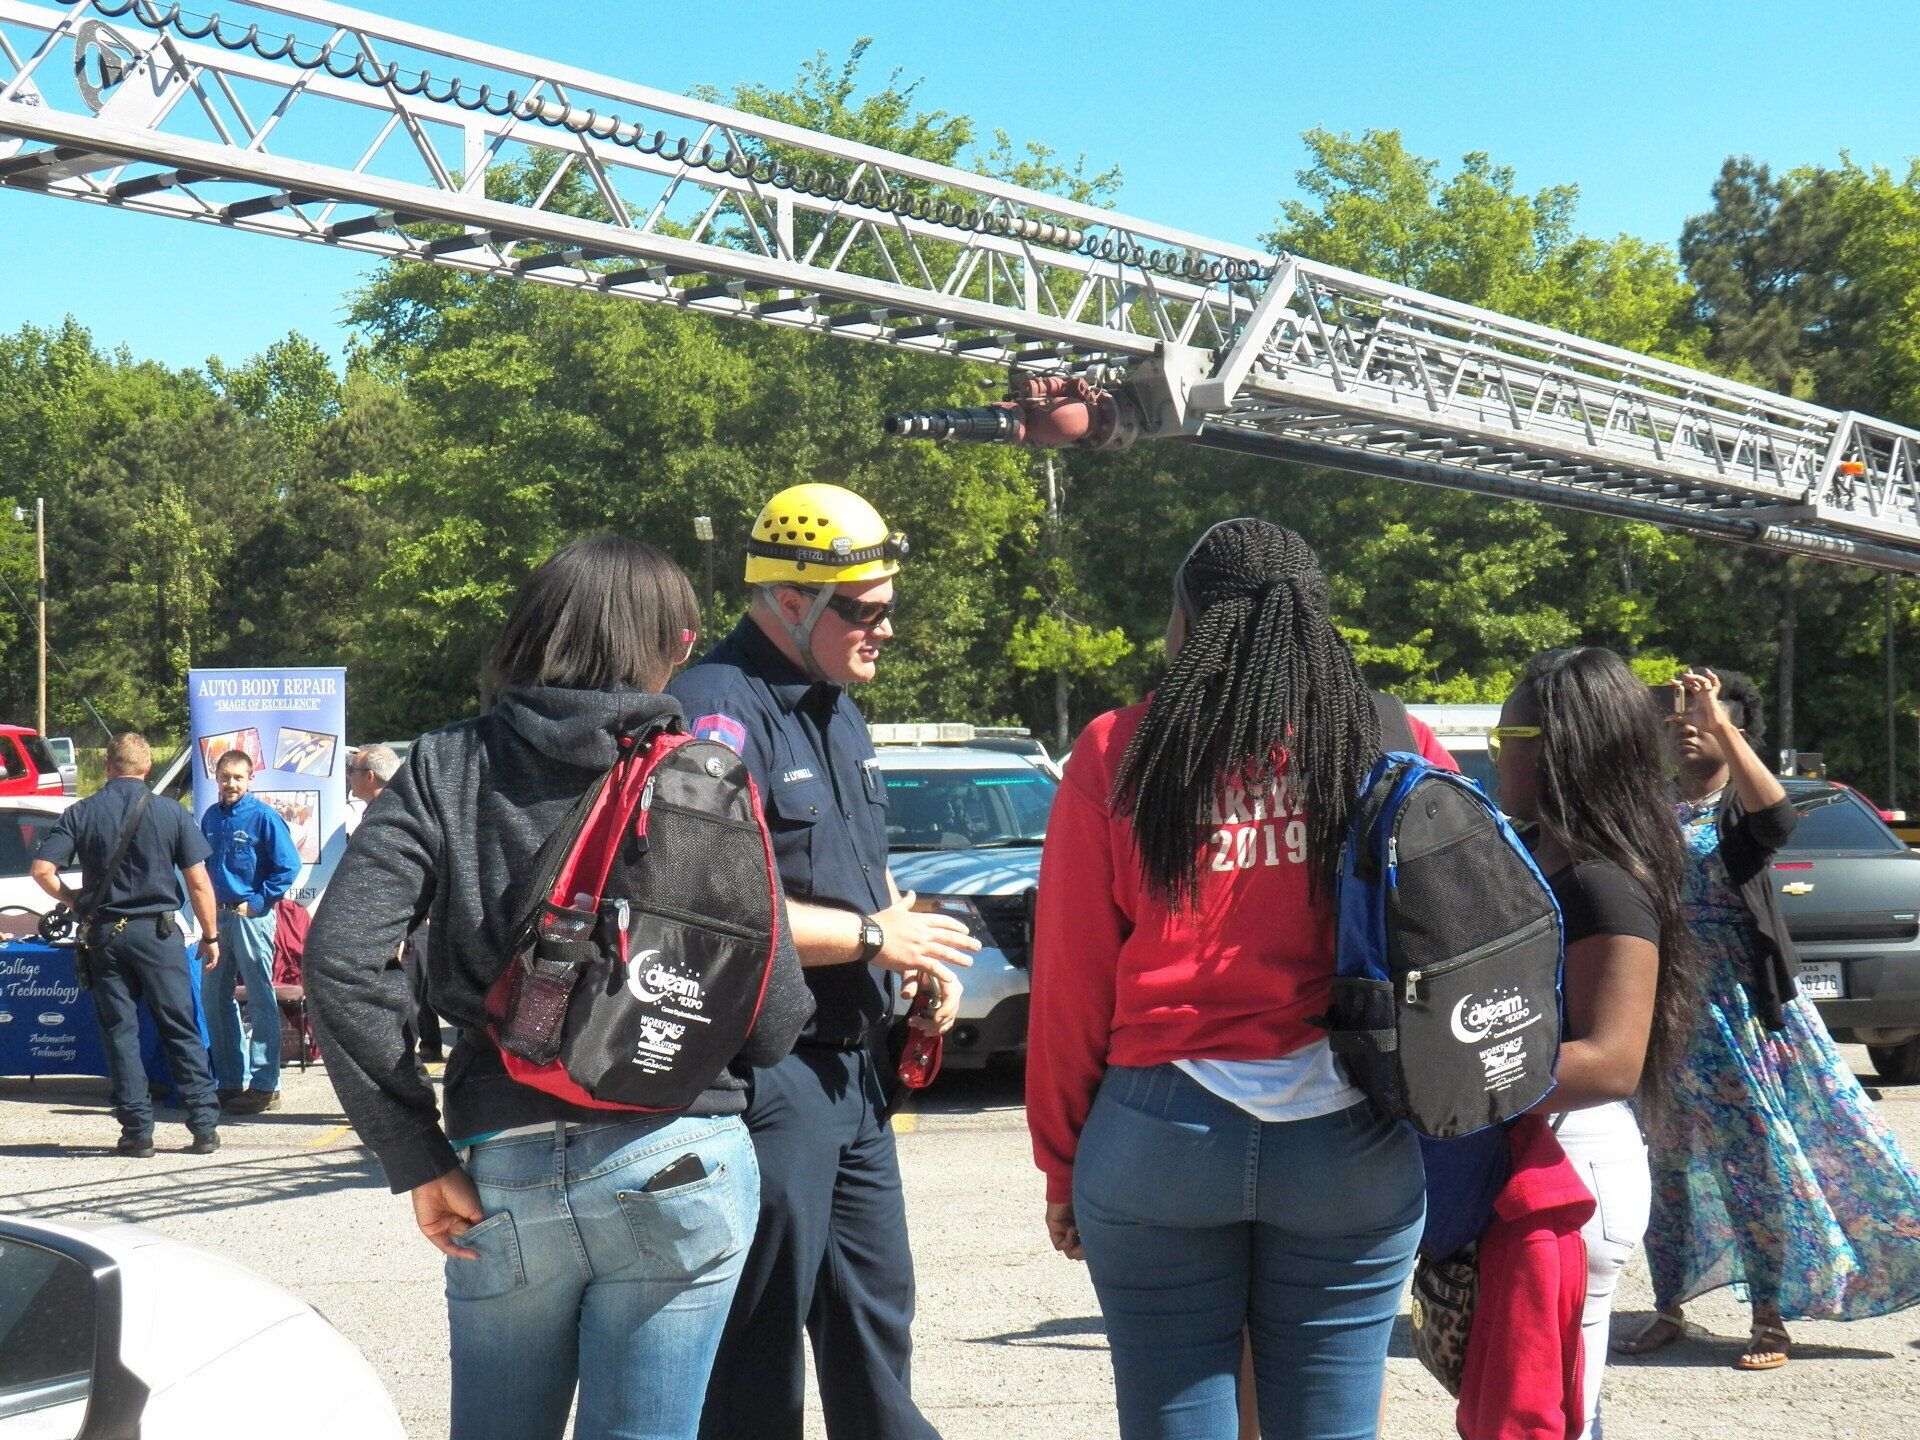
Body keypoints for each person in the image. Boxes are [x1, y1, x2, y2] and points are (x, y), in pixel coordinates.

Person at [304, 535, 814, 1440]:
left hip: (504, 1159)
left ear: (527, 634)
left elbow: (342, 961)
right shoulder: (700, 778)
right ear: (679, 644)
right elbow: (773, 1022)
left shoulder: (446, 765)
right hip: (678, 1154)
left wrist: (413, 1151)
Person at [1028, 518, 1454, 1440]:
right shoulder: (1398, 739)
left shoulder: (1114, 750)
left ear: (1190, 623)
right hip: (1349, 1132)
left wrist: (1062, 1164)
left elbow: (1069, 985)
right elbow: (1460, 944)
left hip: (1158, 1136)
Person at [669, 482, 978, 1440]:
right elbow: (701, 900)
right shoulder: (713, 707)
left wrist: (909, 960)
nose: (886, 627)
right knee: (757, 1343)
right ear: (793, 598)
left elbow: (853, 880)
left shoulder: (838, 708)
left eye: (889, 606)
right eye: (866, 609)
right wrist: (875, 939)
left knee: (876, 1320)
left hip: (855, 1066)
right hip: (768, 1072)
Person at [1617, 668, 1920, 1369]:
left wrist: (1720, 720)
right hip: (1668, 1012)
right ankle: (1668, 1306)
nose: (1686, 724)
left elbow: (1777, 822)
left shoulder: (1737, 808)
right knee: (1665, 1165)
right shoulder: (1653, 806)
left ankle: (1769, 1318)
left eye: (1704, 716)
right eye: (1678, 717)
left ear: (1737, 730)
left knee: (1756, 1165)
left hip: (1741, 1014)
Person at [1488, 647, 1704, 1433]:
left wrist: (1448, 1076)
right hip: (1538, 1162)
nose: (1495, 749)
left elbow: (1612, 1060)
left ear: (1556, 745)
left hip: (1574, 1173)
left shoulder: (1600, 878)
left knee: (1558, 1419)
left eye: (1506, 732)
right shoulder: (1531, 847)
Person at [30, 732, 224, 1156]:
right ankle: (204, 1127)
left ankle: (137, 1133)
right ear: (147, 768)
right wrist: (210, 936)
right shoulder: (171, 812)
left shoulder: (81, 811)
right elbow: (198, 882)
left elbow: (43, 869)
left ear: (106, 765)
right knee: (181, 1028)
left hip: (106, 935)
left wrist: (73, 899)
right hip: (159, 933)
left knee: (121, 1034)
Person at [200, 749, 301, 1114]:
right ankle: (229, 1082)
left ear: (250, 779)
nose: (231, 784)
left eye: (238, 778)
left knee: (260, 999)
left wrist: (258, 902)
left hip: (250, 918)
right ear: (217, 777)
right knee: (213, 997)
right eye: (225, 777)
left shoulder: (263, 817)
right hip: (216, 919)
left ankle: (264, 1086)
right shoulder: (211, 817)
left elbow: (289, 866)